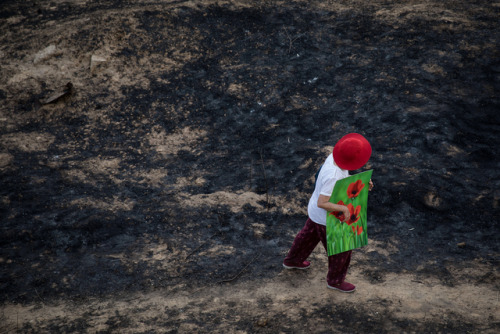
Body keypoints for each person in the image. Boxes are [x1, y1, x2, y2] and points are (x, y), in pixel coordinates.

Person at [283, 133, 373, 293]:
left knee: (307, 237)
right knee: (341, 249)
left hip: (315, 213)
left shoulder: (333, 157)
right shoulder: (333, 176)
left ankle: (292, 260)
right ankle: (335, 281)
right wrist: (344, 208)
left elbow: (338, 183)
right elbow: (323, 202)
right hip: (327, 217)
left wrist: (361, 184)